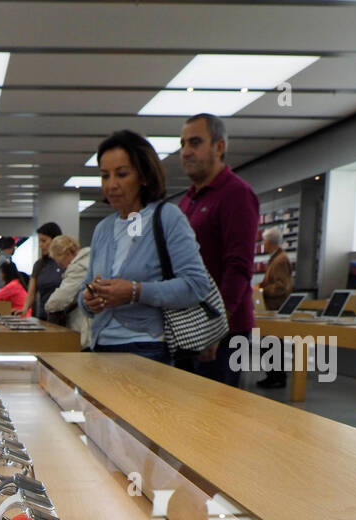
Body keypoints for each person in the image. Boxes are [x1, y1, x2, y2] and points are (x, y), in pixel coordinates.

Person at [79, 129, 210, 363]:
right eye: (105, 176)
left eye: (121, 174)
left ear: (144, 176)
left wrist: (135, 291)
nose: (112, 185)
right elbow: (85, 288)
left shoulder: (168, 217)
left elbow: (196, 285)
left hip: (147, 349)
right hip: (100, 345)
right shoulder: (103, 229)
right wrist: (89, 300)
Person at [177, 112, 259, 386]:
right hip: (189, 327)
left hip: (223, 334)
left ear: (219, 146)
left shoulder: (237, 194)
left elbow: (238, 267)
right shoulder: (186, 201)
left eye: (195, 143)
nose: (186, 151)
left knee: (214, 420)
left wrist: (215, 326)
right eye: (183, 144)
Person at [256, 226, 293, 388]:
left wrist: (262, 291)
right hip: (272, 308)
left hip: (276, 308)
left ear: (270, 242)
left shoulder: (280, 260)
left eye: (264, 240)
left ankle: (276, 377)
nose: (262, 244)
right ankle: (273, 375)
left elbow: (281, 286)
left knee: (273, 344)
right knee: (271, 343)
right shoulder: (276, 258)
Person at [43, 235, 92, 349]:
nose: (62, 267)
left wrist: (48, 306)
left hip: (84, 328)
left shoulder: (79, 267)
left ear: (67, 253)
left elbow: (60, 299)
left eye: (60, 263)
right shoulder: (91, 260)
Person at [24, 222, 64, 318]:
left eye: (44, 241)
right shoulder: (39, 265)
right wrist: (24, 309)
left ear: (55, 240)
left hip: (64, 317)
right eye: (39, 241)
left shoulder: (65, 262)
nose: (40, 245)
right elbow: (31, 293)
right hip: (43, 316)